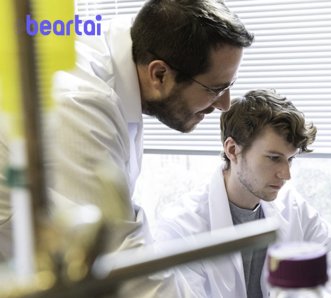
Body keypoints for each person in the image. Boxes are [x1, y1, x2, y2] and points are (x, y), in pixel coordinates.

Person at [0, 0, 253, 295]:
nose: (225, 104)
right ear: (158, 74)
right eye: (215, 88)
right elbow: (122, 263)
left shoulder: (134, 51)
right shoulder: (79, 104)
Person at [153, 89, 331, 298]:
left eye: (290, 160)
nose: (286, 174)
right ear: (232, 149)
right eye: (274, 158)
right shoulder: (181, 228)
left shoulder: (290, 207)